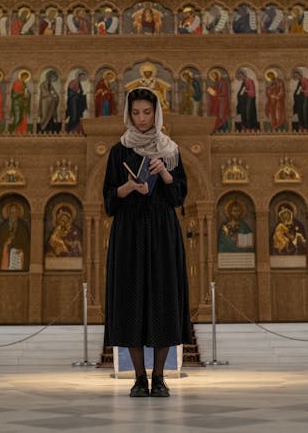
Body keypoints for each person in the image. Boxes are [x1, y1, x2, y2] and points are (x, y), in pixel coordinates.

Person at [103, 87, 191, 398]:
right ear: (129, 114)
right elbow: (108, 201)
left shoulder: (170, 150)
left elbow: (180, 195)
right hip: (129, 235)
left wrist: (165, 174)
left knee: (164, 301)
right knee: (131, 302)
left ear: (157, 114)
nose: (141, 119)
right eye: (136, 112)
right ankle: (139, 378)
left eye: (147, 112)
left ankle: (159, 378)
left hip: (162, 235)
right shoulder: (119, 151)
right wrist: (127, 188)